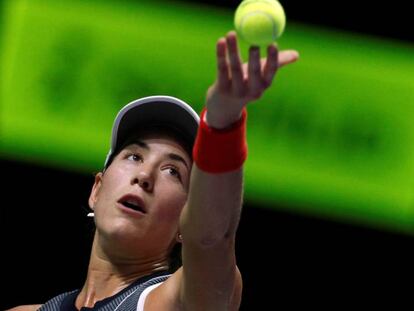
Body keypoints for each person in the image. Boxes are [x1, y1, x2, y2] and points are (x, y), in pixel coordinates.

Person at [8, 31, 298, 311]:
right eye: (134, 156)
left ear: (187, 220)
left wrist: (222, 123)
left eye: (173, 171)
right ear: (96, 190)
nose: (144, 176)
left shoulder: (182, 303)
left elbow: (211, 237)